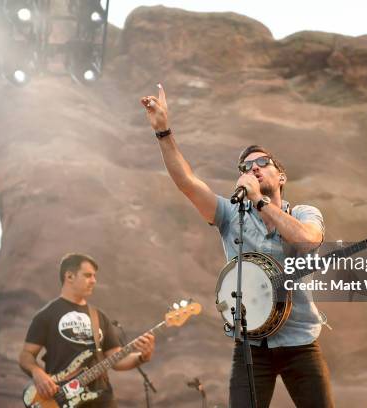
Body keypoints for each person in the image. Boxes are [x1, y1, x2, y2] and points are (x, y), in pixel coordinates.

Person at [141, 85, 334, 407]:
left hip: (300, 341)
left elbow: (307, 239)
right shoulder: (231, 215)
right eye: (246, 167)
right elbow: (187, 183)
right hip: (251, 345)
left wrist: (260, 202)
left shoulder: (303, 213)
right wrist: (163, 132)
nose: (253, 168)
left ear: (281, 175)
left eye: (262, 163)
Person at [19, 253, 155, 408]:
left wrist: (142, 357)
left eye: (94, 276)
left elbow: (116, 360)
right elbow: (26, 355)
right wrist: (38, 374)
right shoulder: (46, 315)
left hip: (102, 398)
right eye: (88, 275)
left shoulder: (99, 317)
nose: (94, 281)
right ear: (69, 276)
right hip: (61, 398)